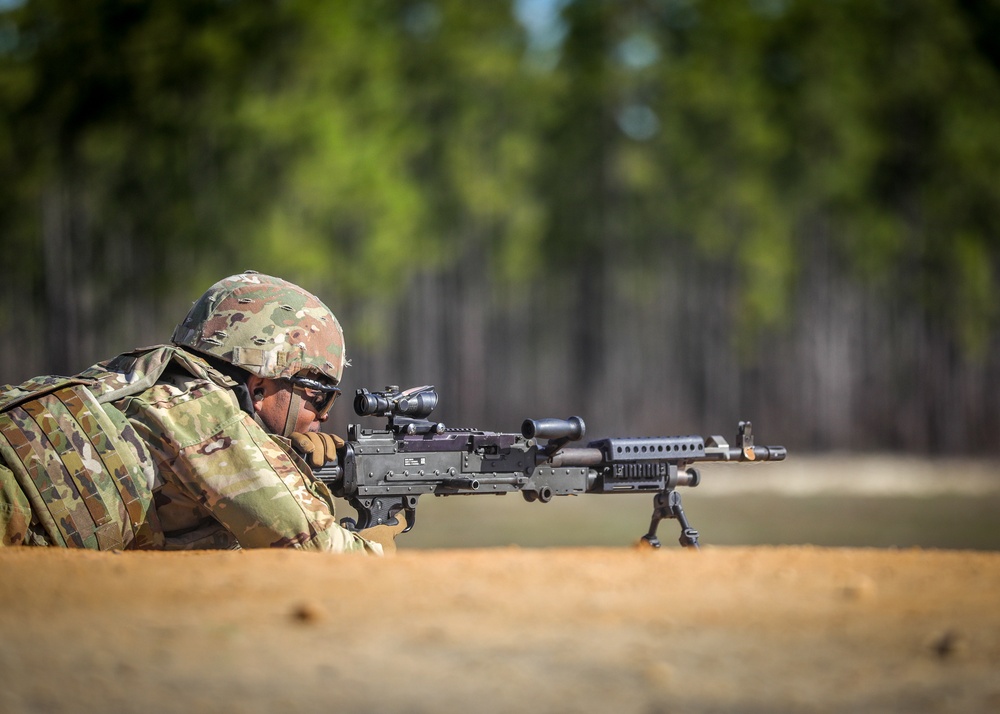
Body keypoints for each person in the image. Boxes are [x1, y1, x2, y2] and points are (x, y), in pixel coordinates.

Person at [0, 271, 403, 553]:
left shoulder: (146, 382)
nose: (323, 417)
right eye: (318, 397)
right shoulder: (208, 417)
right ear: (259, 387)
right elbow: (321, 551)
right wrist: (381, 541)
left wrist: (286, 462)